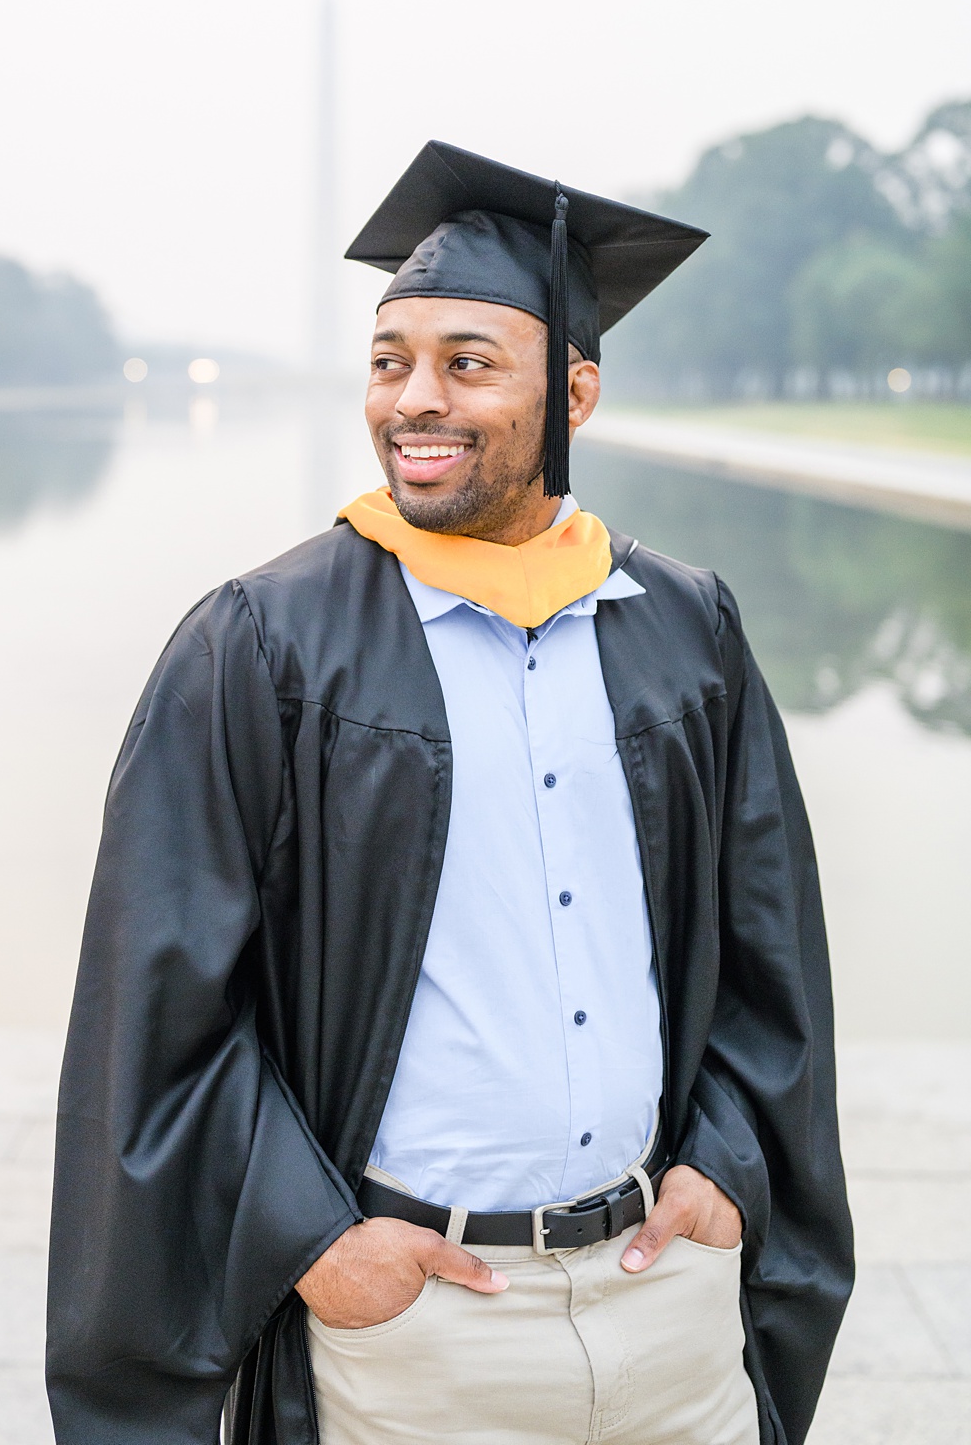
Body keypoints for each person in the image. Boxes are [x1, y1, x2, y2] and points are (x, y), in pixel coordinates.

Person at [46, 142, 852, 1444]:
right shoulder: (261, 644)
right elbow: (161, 1009)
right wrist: (316, 1247)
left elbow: (775, 961)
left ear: (574, 393)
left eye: (468, 362)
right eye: (389, 360)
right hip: (418, 1326)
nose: (414, 398)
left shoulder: (686, 630)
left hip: (665, 1302)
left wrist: (728, 1177)